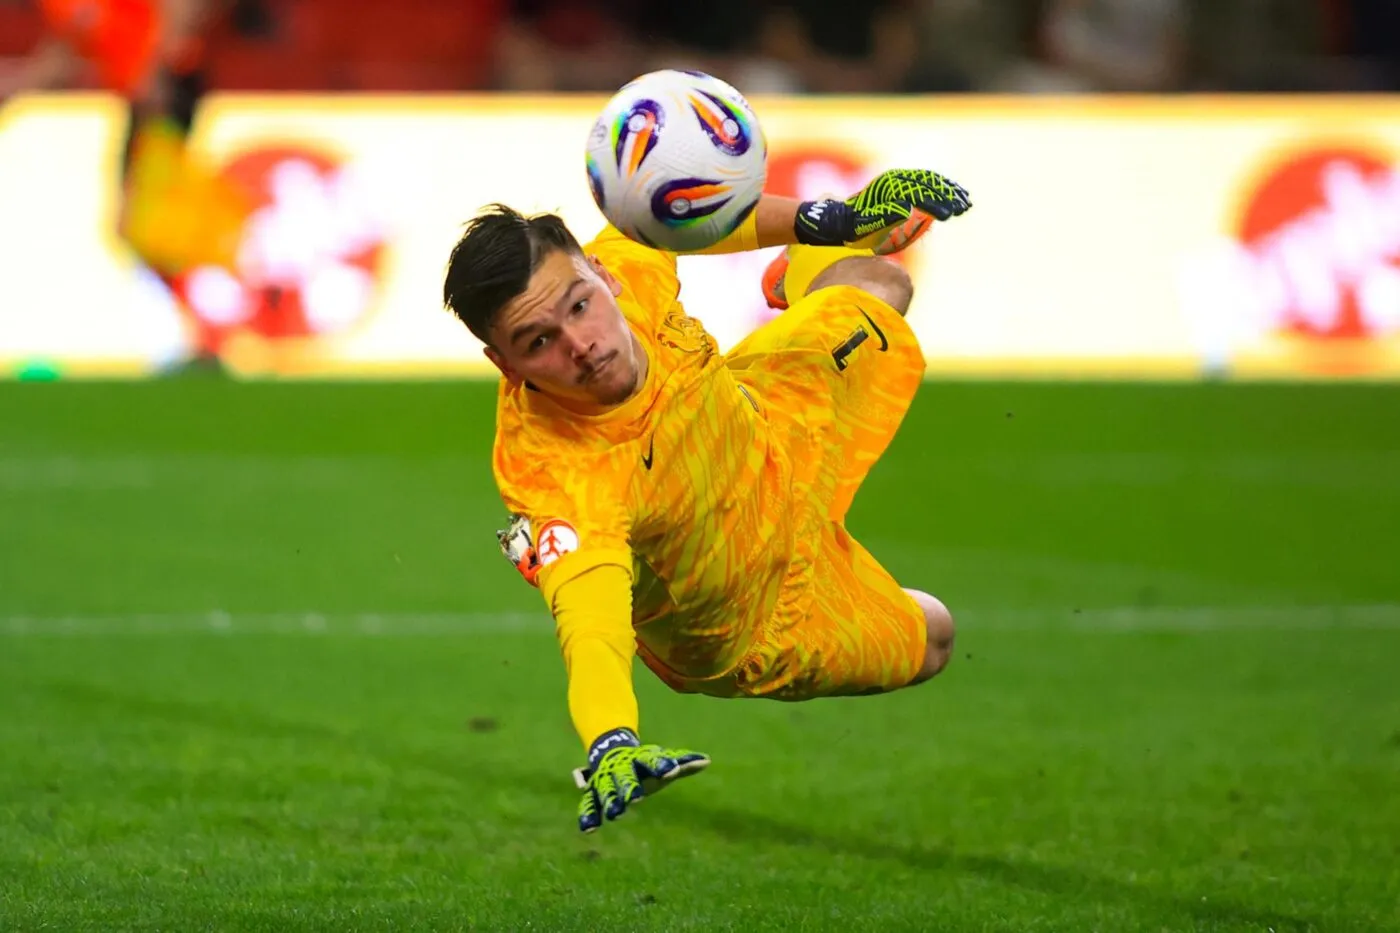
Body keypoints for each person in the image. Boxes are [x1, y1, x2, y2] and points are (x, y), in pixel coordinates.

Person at [442, 169, 971, 833]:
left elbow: (678, 218)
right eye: (539, 342)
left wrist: (831, 220)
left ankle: (796, 274)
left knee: (882, 281)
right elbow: (591, 626)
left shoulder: (630, 272)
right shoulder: (559, 476)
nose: (582, 345)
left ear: (602, 274)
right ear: (505, 364)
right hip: (759, 612)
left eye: (579, 306)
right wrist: (611, 740)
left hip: (775, 428)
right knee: (935, 636)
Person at [0, 0, 246, 278]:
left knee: (157, 221)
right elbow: (59, 61)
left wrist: (161, 51)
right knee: (139, 224)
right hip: (147, 103)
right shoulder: (67, 11)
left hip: (168, 101)